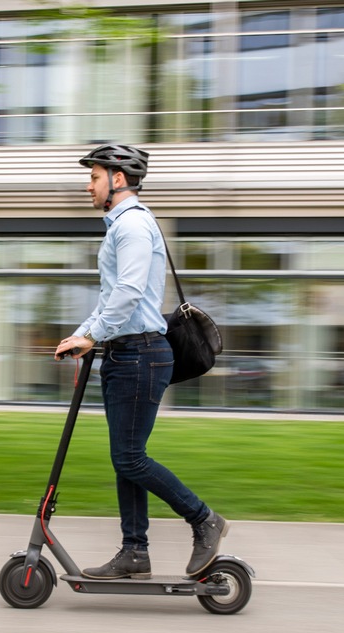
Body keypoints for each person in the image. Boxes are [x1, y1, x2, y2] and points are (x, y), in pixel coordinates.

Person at [54, 143, 227, 580]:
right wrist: (84, 334)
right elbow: (112, 297)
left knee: (130, 457)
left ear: (117, 179)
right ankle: (135, 551)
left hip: (139, 356)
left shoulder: (130, 226)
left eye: (93, 177)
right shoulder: (124, 225)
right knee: (125, 456)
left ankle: (204, 519)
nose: (87, 186)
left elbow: (128, 294)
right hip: (126, 354)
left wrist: (90, 335)